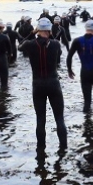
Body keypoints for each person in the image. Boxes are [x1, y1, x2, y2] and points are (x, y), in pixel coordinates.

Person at [19, 18, 68, 153]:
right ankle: (63, 150)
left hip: (38, 85)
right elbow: (59, 54)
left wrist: (32, 33)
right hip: (53, 84)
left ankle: (41, 151)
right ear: (49, 30)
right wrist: (50, 36)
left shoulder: (30, 44)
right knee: (59, 119)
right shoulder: (55, 44)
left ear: (38, 30)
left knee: (40, 120)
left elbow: (19, 46)